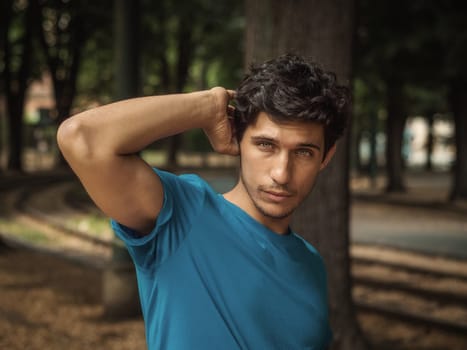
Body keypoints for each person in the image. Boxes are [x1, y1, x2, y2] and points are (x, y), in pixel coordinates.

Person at [57, 54, 350, 350]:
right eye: (265, 145)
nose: (281, 174)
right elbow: (81, 138)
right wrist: (207, 106)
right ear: (237, 136)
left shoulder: (312, 264)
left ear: (325, 157)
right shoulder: (183, 214)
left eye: (303, 153)